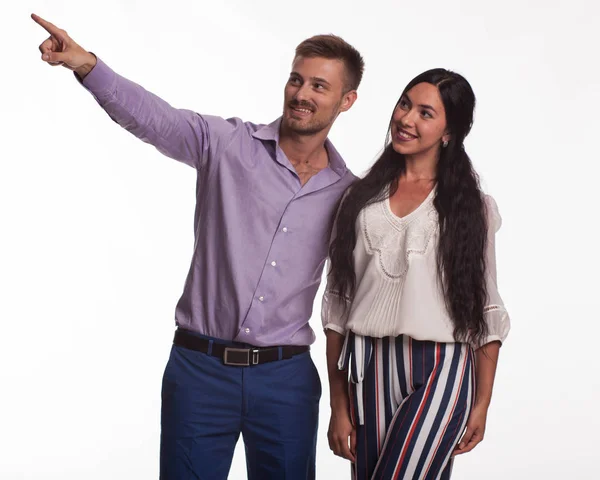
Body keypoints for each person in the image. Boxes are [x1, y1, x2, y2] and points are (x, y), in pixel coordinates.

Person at [31, 12, 364, 480]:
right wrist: (86, 64)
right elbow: (155, 119)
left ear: (346, 100)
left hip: (286, 379)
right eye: (296, 80)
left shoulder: (349, 194)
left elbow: (353, 298)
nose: (302, 95)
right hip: (200, 372)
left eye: (319, 87)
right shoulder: (228, 144)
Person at [322, 69, 510, 479]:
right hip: (367, 365)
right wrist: (338, 404)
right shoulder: (359, 199)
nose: (407, 119)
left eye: (426, 113)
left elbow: (486, 307)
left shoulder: (471, 208)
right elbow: (338, 303)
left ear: (449, 131)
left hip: (442, 366)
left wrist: (482, 401)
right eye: (405, 104)